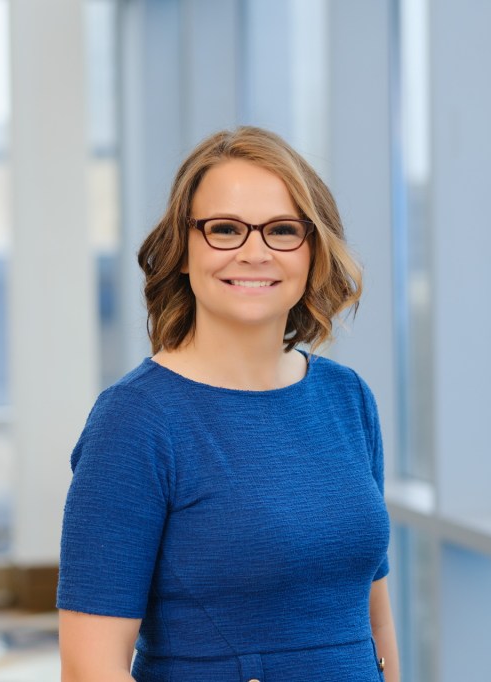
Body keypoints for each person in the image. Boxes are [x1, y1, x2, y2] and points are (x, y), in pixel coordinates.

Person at [57, 126, 399, 682]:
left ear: (312, 250)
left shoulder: (346, 398)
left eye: (283, 230)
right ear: (184, 251)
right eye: (225, 229)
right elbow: (89, 666)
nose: (255, 252)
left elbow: (373, 623)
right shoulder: (135, 421)